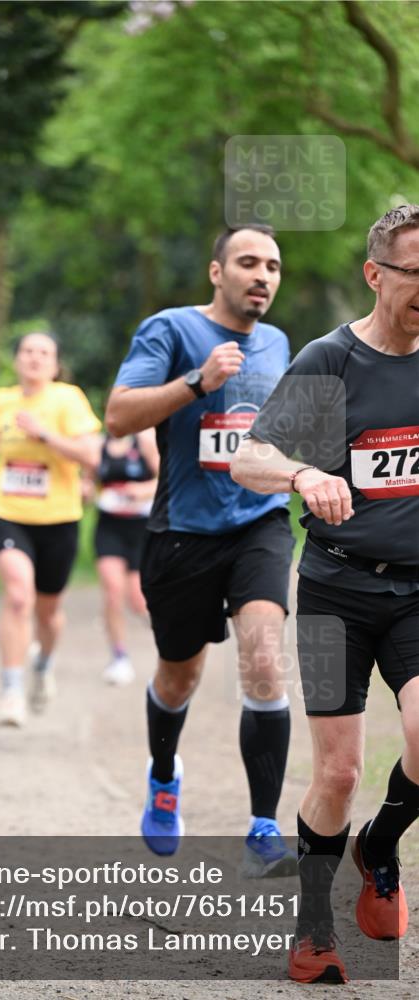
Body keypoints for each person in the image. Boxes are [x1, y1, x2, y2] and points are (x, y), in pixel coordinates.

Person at [231, 205, 419, 984]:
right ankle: (313, 931)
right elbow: (251, 457)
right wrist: (305, 473)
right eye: (416, 273)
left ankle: (377, 847)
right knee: (337, 772)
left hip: (416, 591)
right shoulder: (332, 362)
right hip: (334, 589)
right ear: (376, 275)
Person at [106, 224, 297, 874]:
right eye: (247, 262)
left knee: (265, 659)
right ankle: (164, 774)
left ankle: (263, 829)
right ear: (216, 272)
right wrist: (196, 380)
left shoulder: (278, 342)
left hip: (259, 523)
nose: (262, 276)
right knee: (178, 674)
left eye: (272, 266)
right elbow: (118, 416)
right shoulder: (170, 330)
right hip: (182, 533)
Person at [0, 331, 101, 727]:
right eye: (27, 350)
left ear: (55, 365)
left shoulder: (67, 399)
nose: (34, 358)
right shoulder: (3, 398)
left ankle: (44, 662)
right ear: (17, 359)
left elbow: (91, 454)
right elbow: (1, 437)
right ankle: (10, 691)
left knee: (48, 612)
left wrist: (45, 435)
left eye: (44, 352)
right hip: (6, 510)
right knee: (18, 597)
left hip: (58, 518)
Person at [92, 430, 159, 685]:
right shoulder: (100, 445)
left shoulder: (144, 441)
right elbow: (89, 479)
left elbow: (165, 479)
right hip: (109, 527)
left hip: (141, 528)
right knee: (112, 589)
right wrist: (85, 488)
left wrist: (141, 490)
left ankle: (168, 640)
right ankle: (119, 656)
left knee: (138, 601)